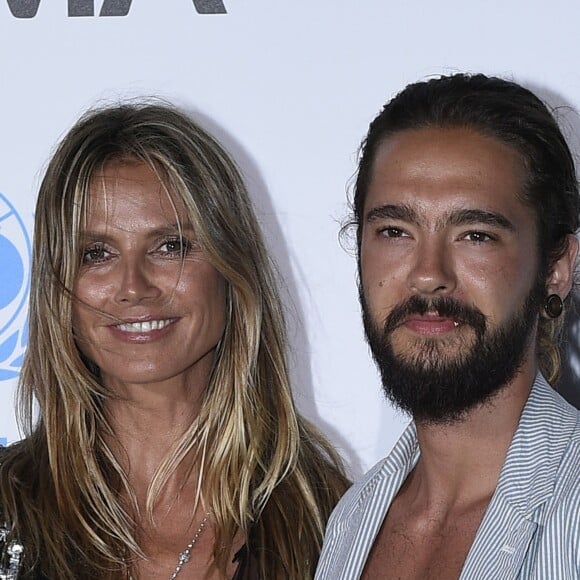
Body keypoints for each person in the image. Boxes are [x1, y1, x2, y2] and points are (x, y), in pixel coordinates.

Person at [0, 102, 348, 579]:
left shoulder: (331, 519)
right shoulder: (6, 506)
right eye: (96, 253)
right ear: (60, 287)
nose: (133, 286)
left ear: (231, 269)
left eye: (171, 247)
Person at [315, 73, 580, 579]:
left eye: (475, 235)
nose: (428, 273)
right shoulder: (351, 522)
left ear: (556, 267)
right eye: (395, 231)